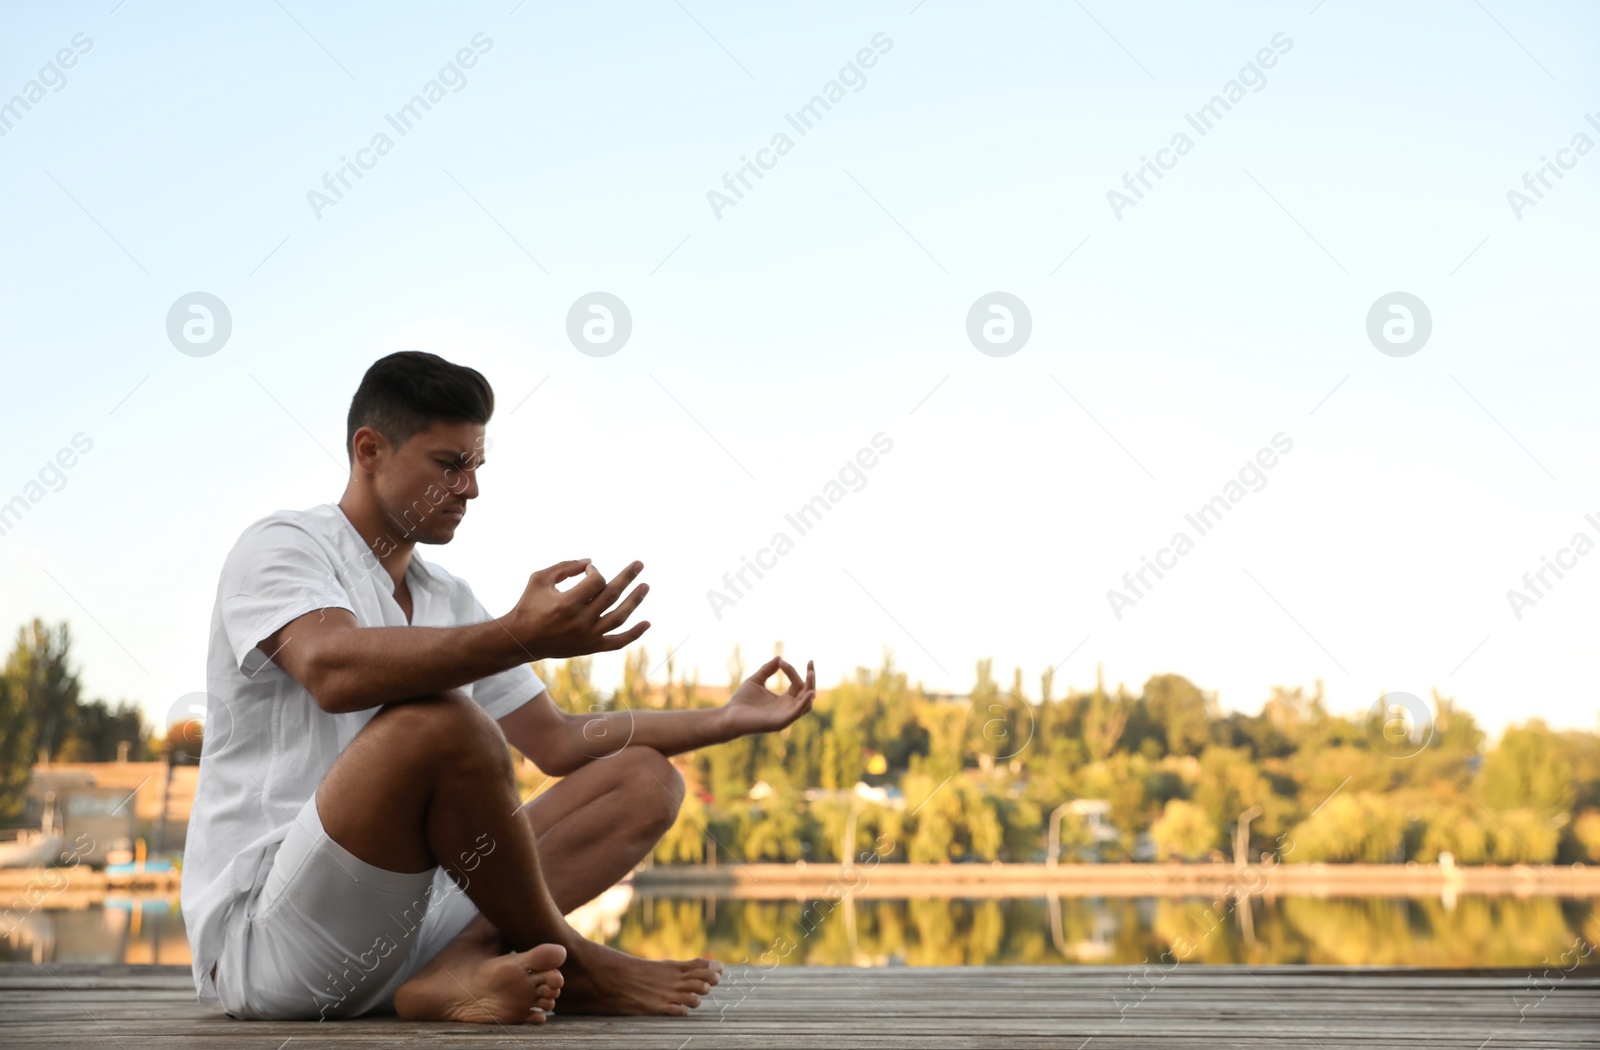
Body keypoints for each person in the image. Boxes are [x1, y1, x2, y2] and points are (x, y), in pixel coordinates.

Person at [180, 350, 817, 1024]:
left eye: (477, 466)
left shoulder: (446, 597)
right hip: (275, 948)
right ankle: (577, 960)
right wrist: (520, 634)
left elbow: (562, 741)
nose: (471, 489)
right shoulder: (284, 547)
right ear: (370, 450)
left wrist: (724, 718)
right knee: (441, 723)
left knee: (643, 780)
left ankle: (456, 965)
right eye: (450, 465)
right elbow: (331, 670)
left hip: (407, 937)